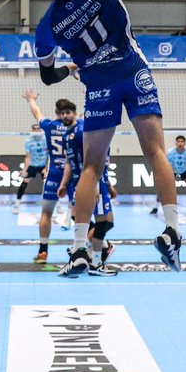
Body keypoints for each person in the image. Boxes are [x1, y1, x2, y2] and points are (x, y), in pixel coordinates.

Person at [30, 0, 184, 274]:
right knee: (155, 151)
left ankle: (80, 248)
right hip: (132, 71)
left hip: (98, 86)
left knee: (90, 166)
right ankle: (172, 231)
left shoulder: (46, 27)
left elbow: (47, 77)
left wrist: (69, 69)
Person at [58, 118, 118, 277]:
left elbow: (98, 163)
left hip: (96, 181)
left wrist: (108, 185)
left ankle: (88, 252)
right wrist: (95, 185)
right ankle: (92, 259)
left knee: (106, 222)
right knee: (101, 221)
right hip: (90, 182)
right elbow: (86, 163)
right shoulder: (84, 134)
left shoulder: (95, 134)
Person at [22, 89, 76, 264]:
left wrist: (31, 100)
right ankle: (87, 248)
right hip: (73, 173)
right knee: (78, 214)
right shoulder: (76, 126)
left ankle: (43, 251)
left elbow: (36, 112)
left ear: (56, 114)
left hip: (54, 174)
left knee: (46, 212)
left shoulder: (50, 126)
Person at [152, 135, 186, 216]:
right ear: (176, 143)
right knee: (164, 190)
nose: (180, 143)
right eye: (178, 141)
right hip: (173, 172)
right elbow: (165, 163)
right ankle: (155, 207)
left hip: (184, 171)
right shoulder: (171, 152)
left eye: (182, 141)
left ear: (184, 143)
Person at [13, 122, 48, 214]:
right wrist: (25, 170)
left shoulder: (46, 139)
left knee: (49, 184)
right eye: (34, 129)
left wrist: (46, 168)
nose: (37, 131)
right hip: (32, 165)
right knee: (24, 182)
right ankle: (16, 205)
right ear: (32, 131)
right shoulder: (28, 141)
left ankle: (58, 206)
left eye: (38, 129)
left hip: (43, 165)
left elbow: (50, 156)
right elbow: (28, 157)